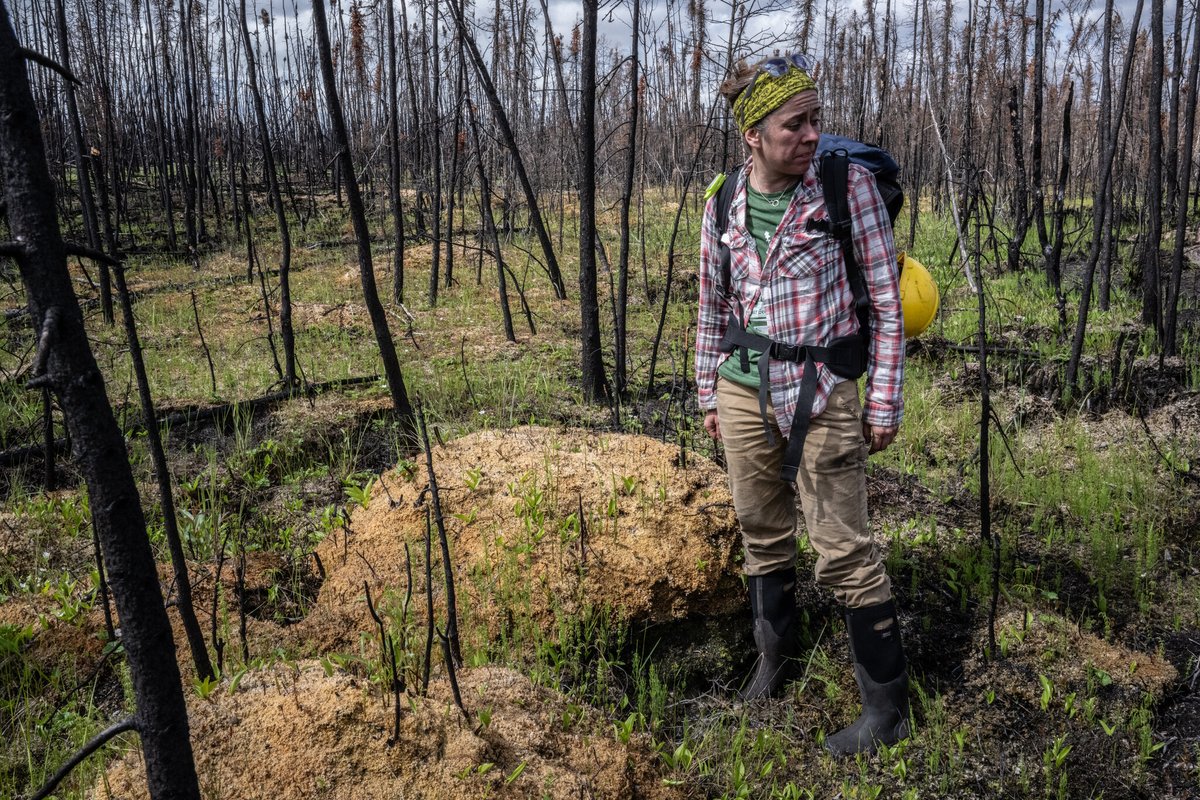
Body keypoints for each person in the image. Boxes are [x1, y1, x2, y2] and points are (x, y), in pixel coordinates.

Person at [695, 53, 909, 756]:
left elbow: (884, 299)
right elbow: (710, 304)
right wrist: (709, 389)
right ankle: (774, 665)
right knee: (761, 532)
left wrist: (882, 402)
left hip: (823, 391)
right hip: (744, 386)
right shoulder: (723, 199)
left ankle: (886, 713)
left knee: (844, 550)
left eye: (817, 119)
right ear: (752, 133)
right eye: (795, 124)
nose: (813, 134)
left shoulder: (846, 190)